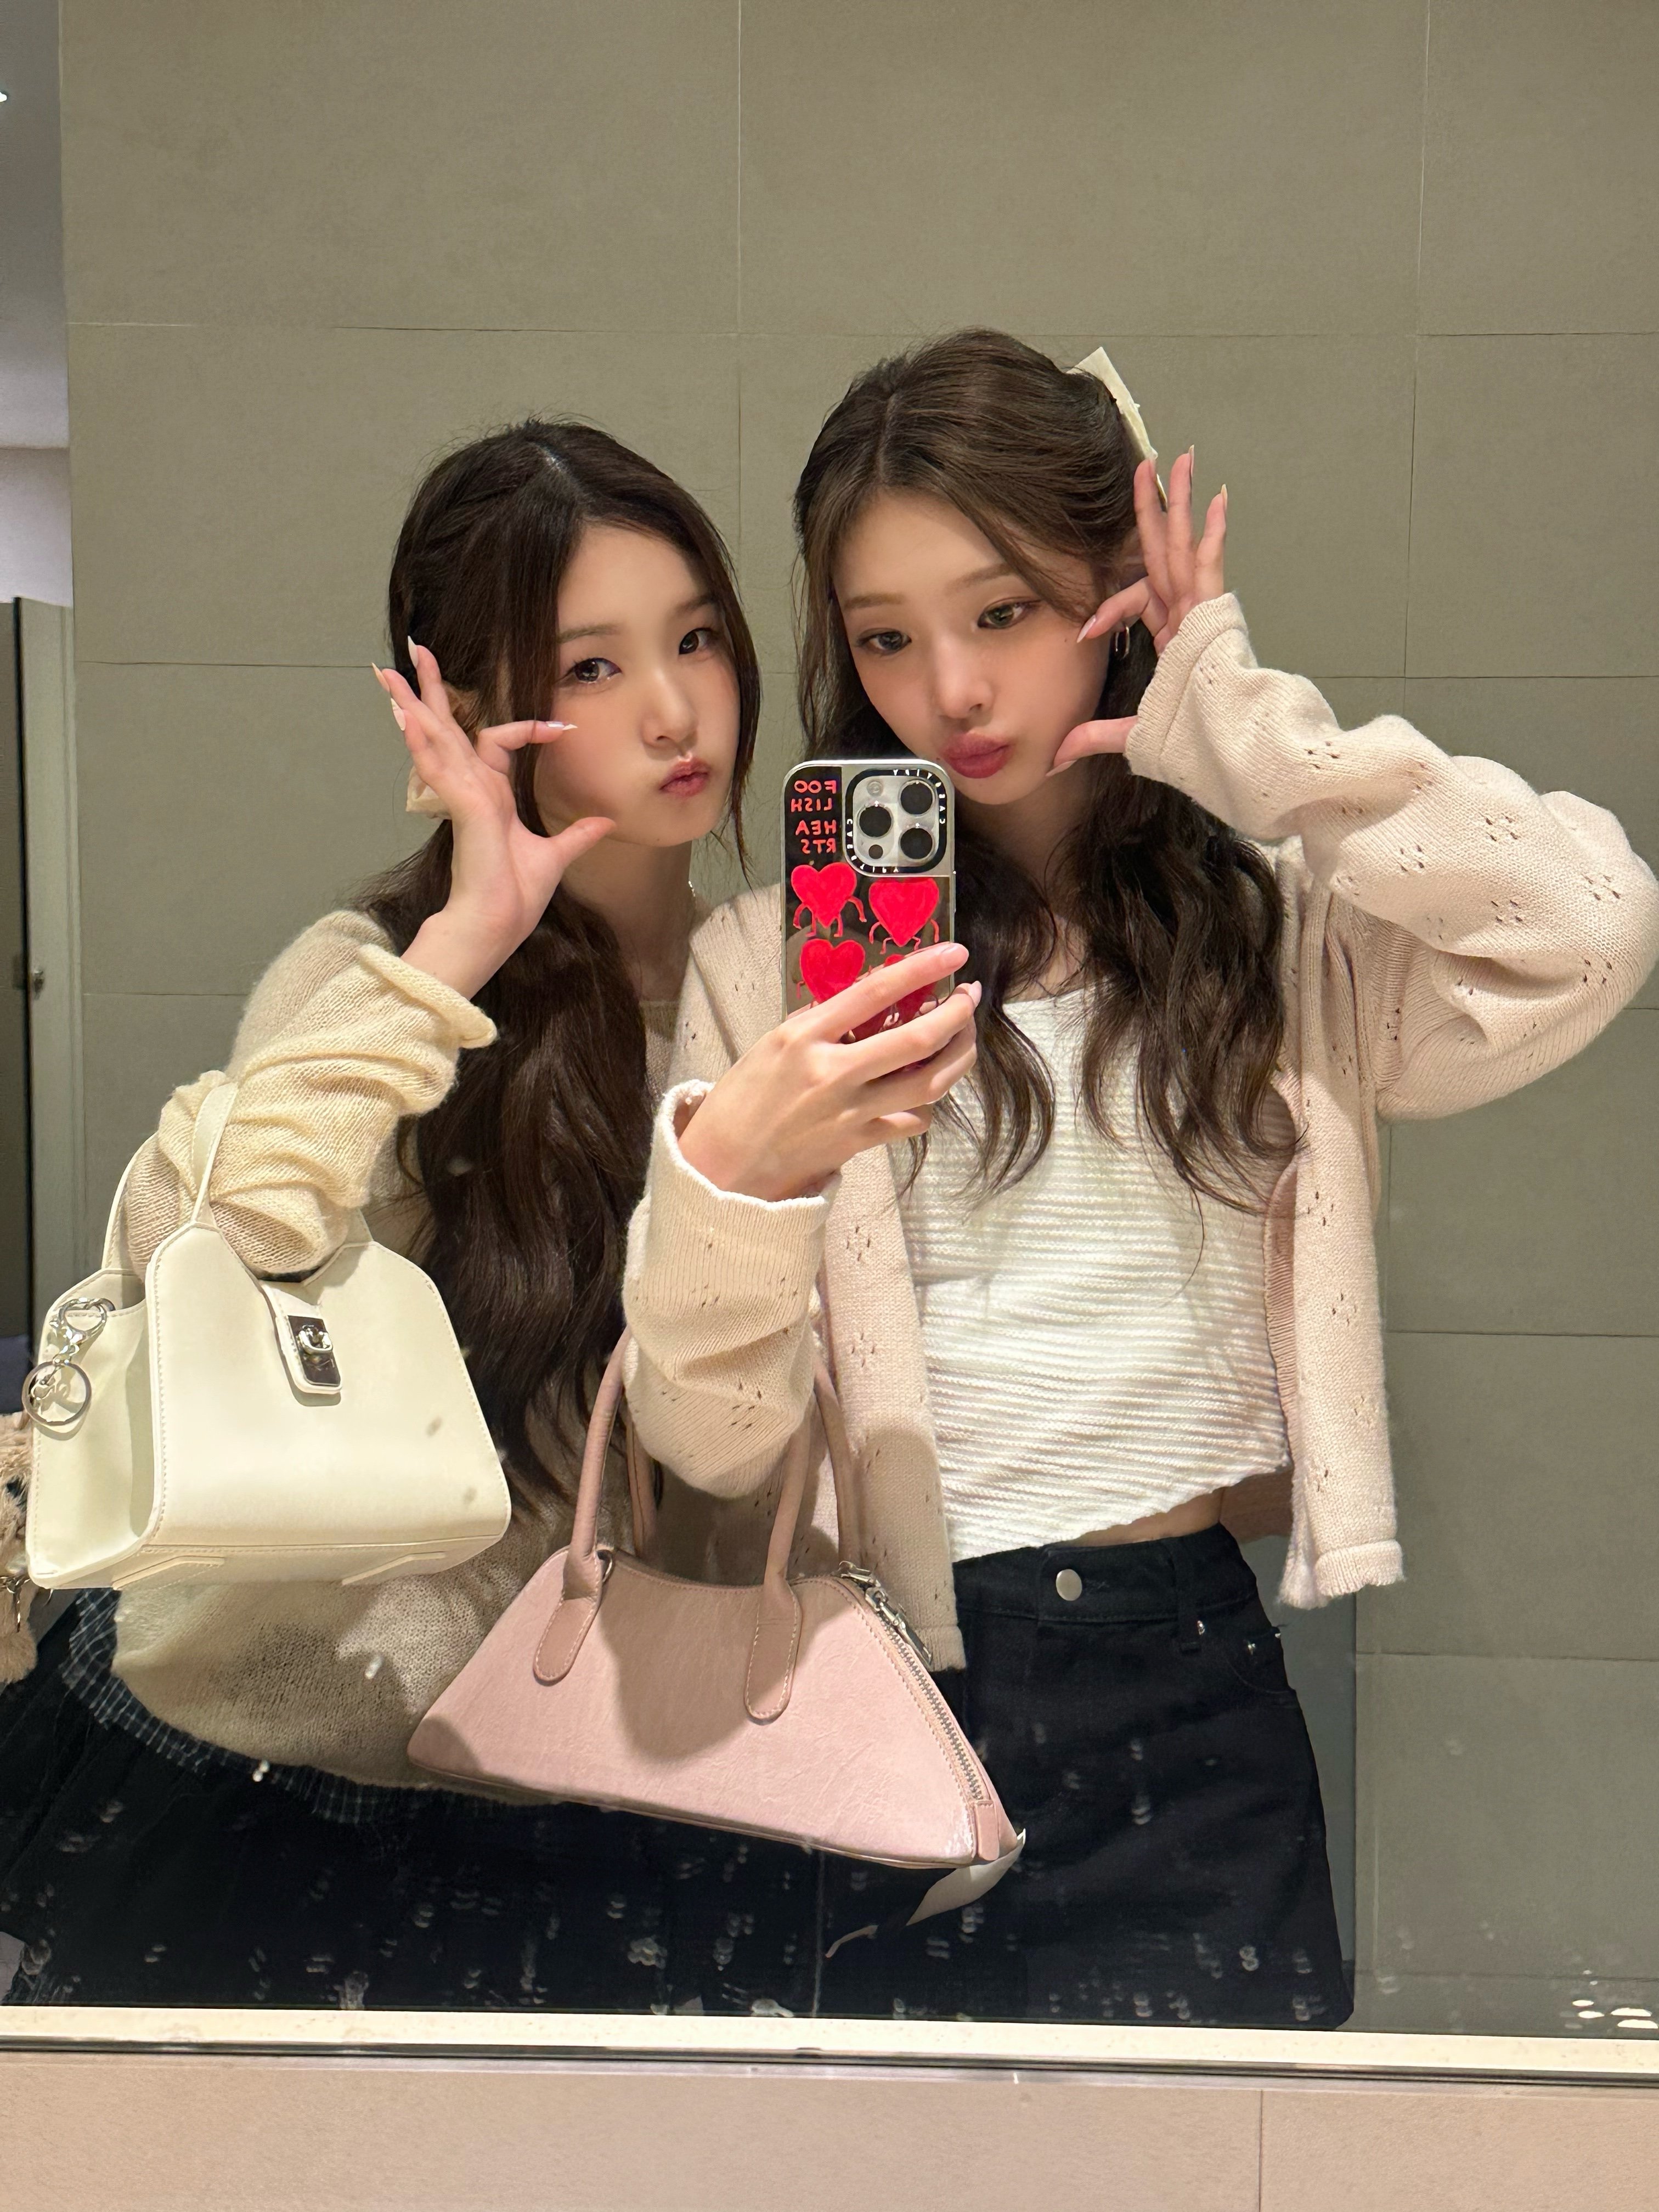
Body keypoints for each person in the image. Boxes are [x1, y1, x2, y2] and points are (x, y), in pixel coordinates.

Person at [620, 330, 1659, 2025]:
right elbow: (708, 1442)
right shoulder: (772, 973)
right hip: (884, 1700)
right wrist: (741, 1179)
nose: (950, 690)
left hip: (1188, 1696)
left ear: (1115, 593)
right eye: (886, 637)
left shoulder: (1280, 935)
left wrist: (1241, 726)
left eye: (1002, 613)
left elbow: (1591, 926)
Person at [0, 417, 807, 2010]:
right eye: (591, 668)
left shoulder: (766, 1005)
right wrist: (468, 942)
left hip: (594, 1789)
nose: (671, 709)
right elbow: (204, 1243)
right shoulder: (380, 973)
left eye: (699, 637)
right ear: (473, 708)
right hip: (265, 1773)